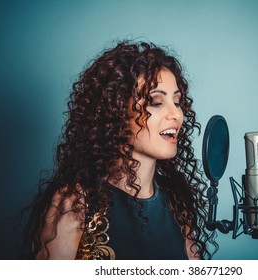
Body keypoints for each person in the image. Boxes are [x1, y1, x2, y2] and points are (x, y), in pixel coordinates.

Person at [22, 41, 217, 260]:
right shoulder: (75, 204)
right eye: (155, 102)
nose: (176, 115)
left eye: (177, 102)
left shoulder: (177, 205)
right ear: (117, 114)